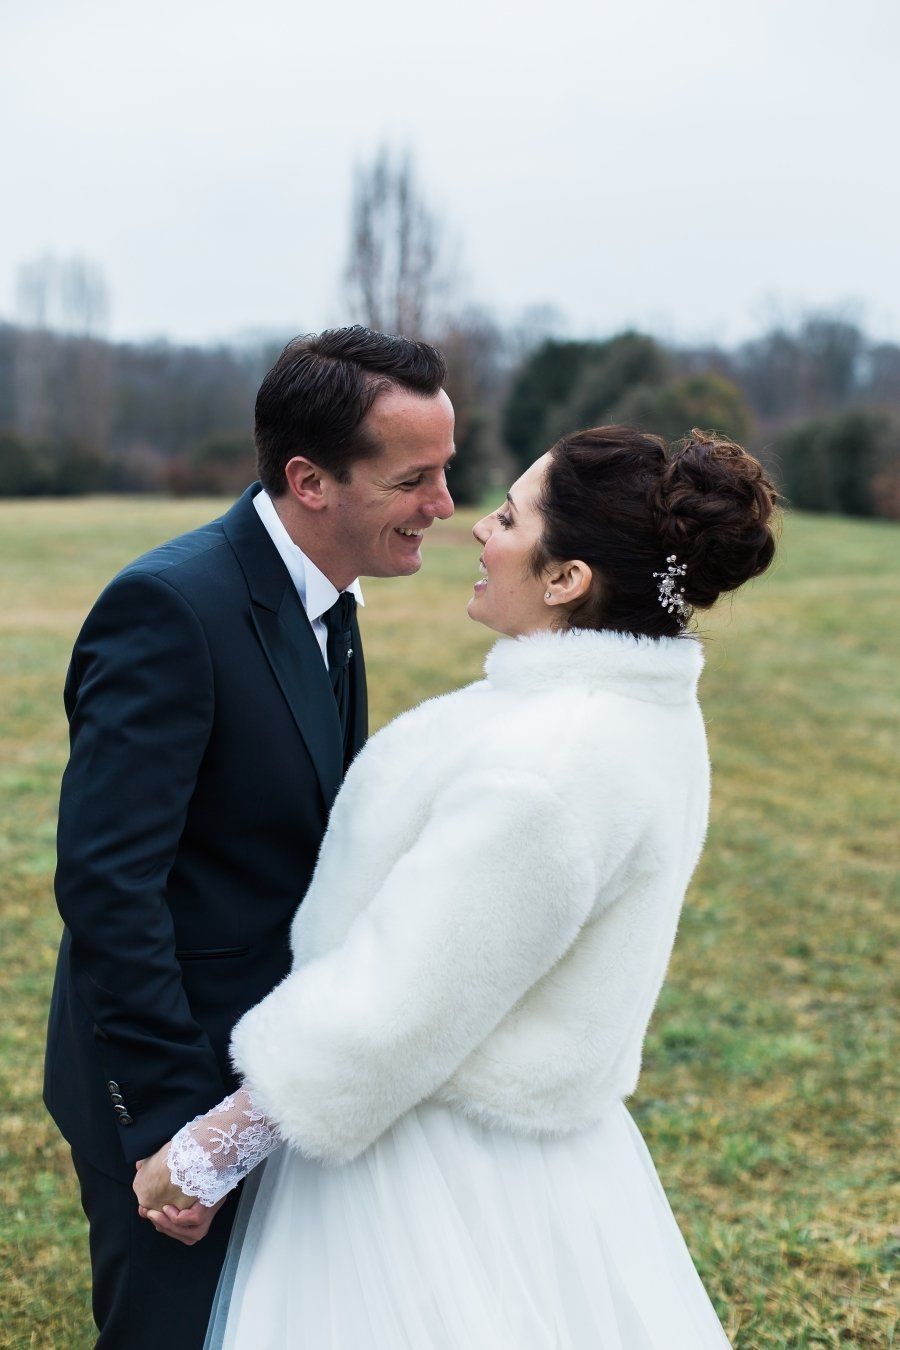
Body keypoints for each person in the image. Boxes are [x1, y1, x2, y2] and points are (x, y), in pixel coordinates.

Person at [135, 425, 779, 1349]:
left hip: (432, 1169)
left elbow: (403, 1000)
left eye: (510, 518)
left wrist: (210, 1152)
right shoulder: (634, 714)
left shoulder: (547, 764)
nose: (477, 527)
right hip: (541, 1158)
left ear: (567, 579)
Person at [44, 325, 456, 1349]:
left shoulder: (332, 597)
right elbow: (108, 887)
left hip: (270, 1068)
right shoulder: (170, 610)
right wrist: (184, 1134)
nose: (445, 505)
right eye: (414, 480)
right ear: (310, 481)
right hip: (173, 1077)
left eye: (445, 471)